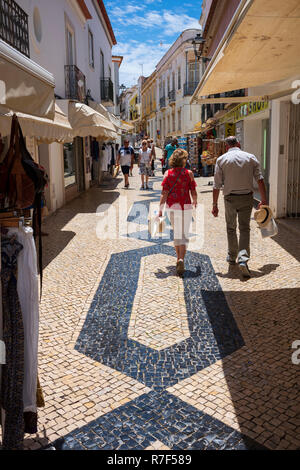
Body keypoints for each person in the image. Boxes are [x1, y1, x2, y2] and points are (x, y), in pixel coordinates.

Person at [212, 136, 268, 278]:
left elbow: (216, 185)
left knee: (231, 228)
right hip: (247, 198)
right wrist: (264, 200)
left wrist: (214, 204)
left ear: (226, 147)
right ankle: (243, 260)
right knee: (244, 228)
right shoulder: (250, 157)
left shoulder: (221, 160)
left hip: (230, 198)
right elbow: (260, 180)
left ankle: (232, 257)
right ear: (239, 144)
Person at [159, 148, 197, 276]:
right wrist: (195, 201)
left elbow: (164, 193)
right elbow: (193, 190)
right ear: (184, 160)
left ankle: (178, 258)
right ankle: (181, 259)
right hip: (185, 206)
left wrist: (160, 209)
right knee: (184, 233)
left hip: (172, 207)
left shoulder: (167, 173)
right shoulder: (189, 173)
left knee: (177, 233)